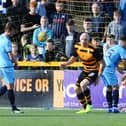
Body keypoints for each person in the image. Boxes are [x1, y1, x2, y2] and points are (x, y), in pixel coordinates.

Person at [61, 32, 104, 114]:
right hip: (85, 70)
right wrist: (65, 64)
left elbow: (102, 63)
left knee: (83, 84)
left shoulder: (93, 50)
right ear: (79, 40)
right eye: (82, 39)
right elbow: (73, 59)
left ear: (89, 40)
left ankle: (90, 105)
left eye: (85, 39)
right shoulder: (77, 46)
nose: (83, 41)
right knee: (76, 89)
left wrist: (98, 77)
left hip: (94, 70)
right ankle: (84, 108)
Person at [0, 22, 23, 113]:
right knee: (10, 87)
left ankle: (14, 108)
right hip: (7, 66)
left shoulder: (0, 37)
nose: (14, 32)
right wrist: (16, 62)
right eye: (13, 30)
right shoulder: (7, 41)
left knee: (5, 86)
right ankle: (14, 108)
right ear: (10, 30)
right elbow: (10, 55)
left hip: (1, 65)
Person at [101, 36, 126, 113]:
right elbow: (124, 61)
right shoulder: (122, 49)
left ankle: (110, 107)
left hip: (103, 68)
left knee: (109, 87)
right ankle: (115, 107)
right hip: (109, 68)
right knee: (116, 87)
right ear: (124, 42)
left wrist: (121, 72)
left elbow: (115, 62)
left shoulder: (114, 48)